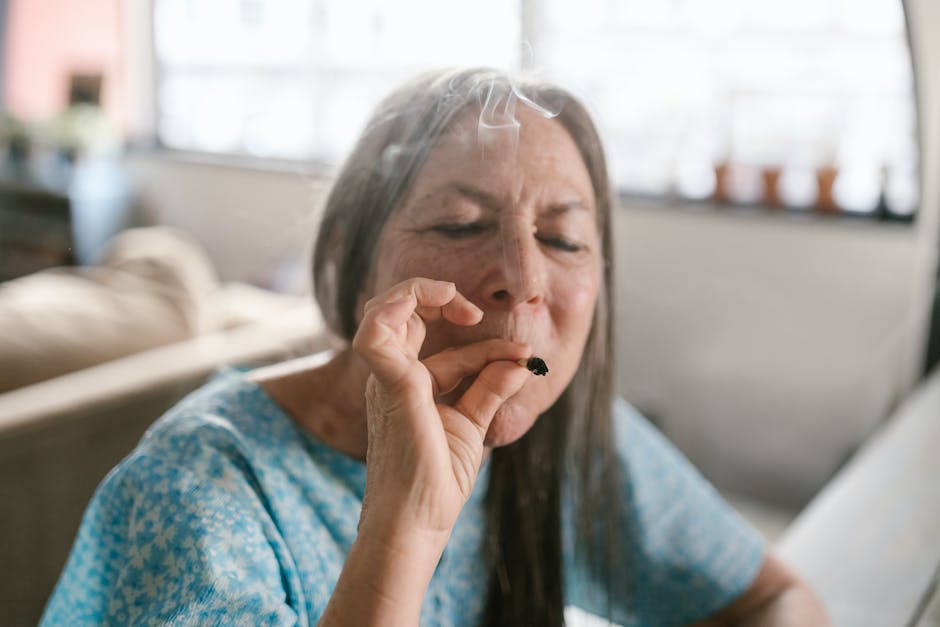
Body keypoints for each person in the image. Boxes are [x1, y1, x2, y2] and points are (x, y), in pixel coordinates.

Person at [41, 68, 829, 626]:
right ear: (356, 263)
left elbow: (771, 597)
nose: (524, 277)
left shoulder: (574, 435)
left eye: (562, 238)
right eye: (460, 224)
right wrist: (405, 522)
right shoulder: (198, 490)